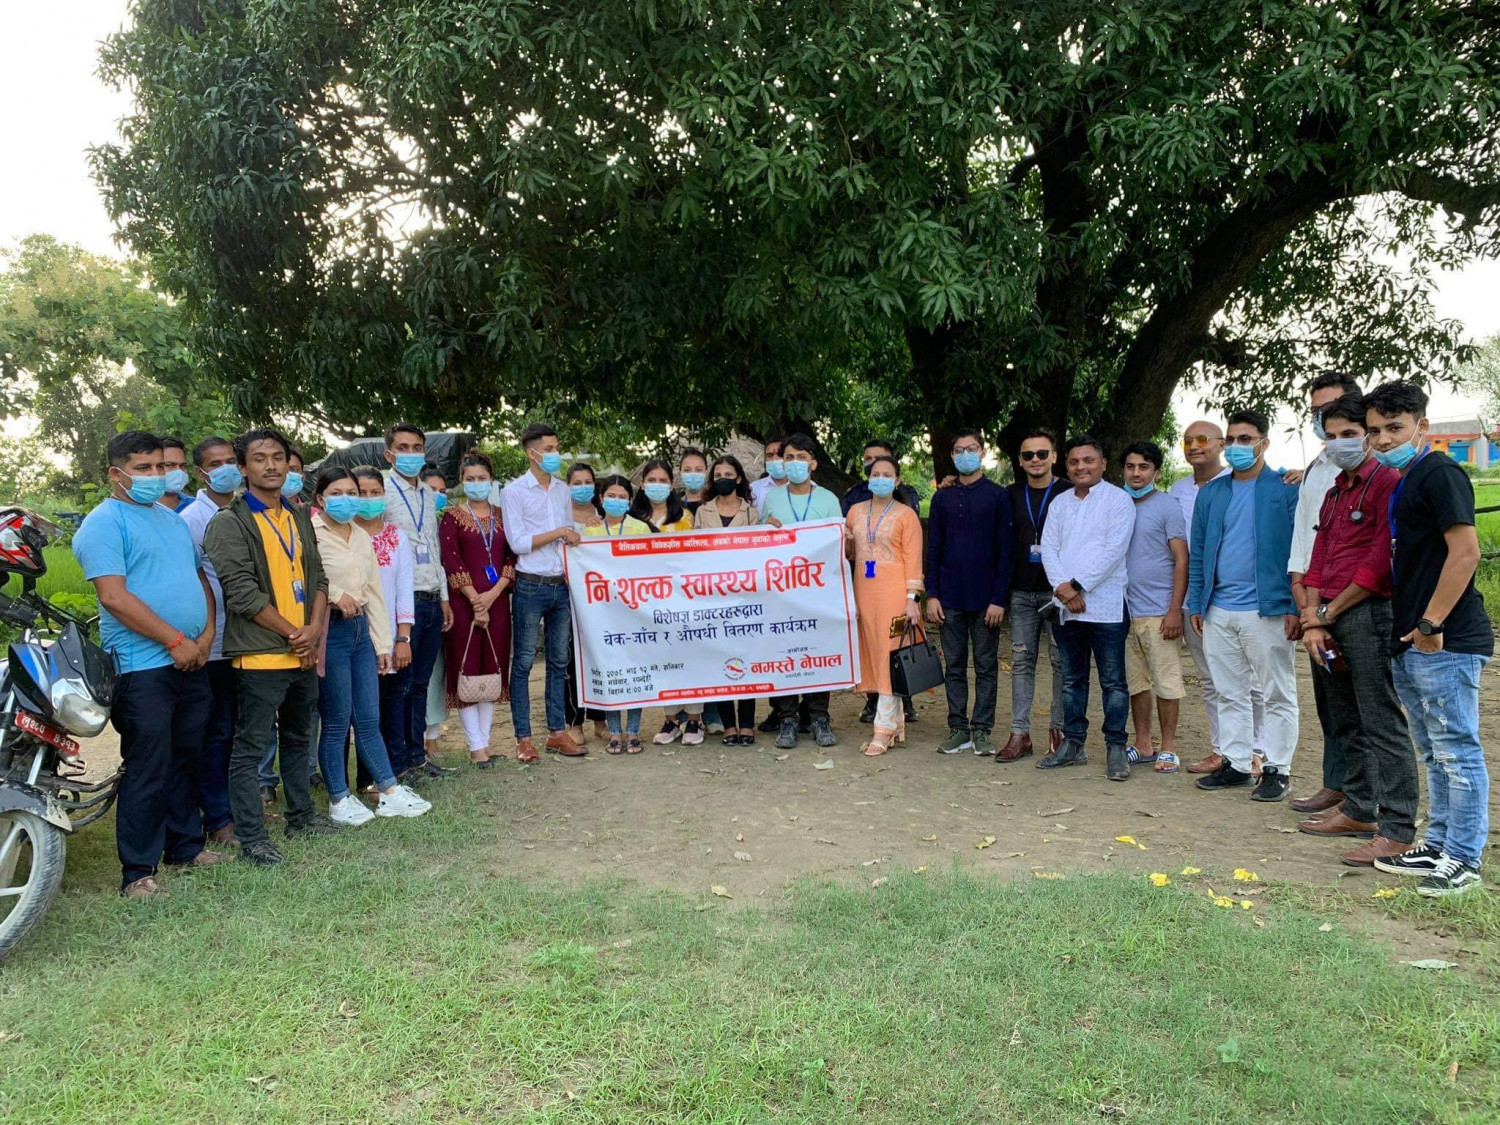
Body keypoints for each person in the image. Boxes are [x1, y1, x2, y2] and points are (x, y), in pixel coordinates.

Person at [73, 430, 228, 897]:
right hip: (142, 665)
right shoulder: (103, 524)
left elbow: (199, 579)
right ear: (115, 474)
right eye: (143, 468)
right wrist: (175, 640)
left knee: (187, 755)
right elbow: (114, 597)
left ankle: (185, 847)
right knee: (148, 764)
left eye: (161, 466)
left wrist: (205, 636)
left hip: (192, 656)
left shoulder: (171, 520)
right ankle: (138, 871)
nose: (156, 475)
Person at [1365, 381, 1491, 897]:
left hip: (1446, 639)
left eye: (1394, 428)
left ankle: (1464, 857)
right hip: (1414, 639)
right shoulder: (1407, 478)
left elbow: (1466, 552)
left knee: (1457, 749)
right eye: (1375, 430)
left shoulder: (1440, 473)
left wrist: (1431, 624)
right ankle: (1437, 844)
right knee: (1434, 751)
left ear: (1423, 426)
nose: (1382, 440)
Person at [202, 428, 340, 865]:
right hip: (261, 654)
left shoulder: (298, 515)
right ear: (243, 468)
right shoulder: (229, 522)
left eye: (278, 457)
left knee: (299, 737)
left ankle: (302, 816)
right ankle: (253, 838)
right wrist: (295, 634)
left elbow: (319, 577)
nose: (271, 466)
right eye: (260, 458)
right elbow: (241, 593)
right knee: (250, 748)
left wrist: (313, 629)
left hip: (303, 650)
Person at [1292, 394, 1415, 864]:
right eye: (1331, 436)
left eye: (1350, 434)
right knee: (1343, 715)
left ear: (1367, 434)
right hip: (1326, 616)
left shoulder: (1388, 483)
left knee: (1380, 719)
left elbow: (1378, 561)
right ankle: (1359, 808)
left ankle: (1397, 827)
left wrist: (1327, 612)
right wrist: (1313, 618)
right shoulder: (1335, 491)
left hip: (1367, 615)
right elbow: (1318, 559)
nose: (1340, 443)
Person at [1187, 409, 1301, 802]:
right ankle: (1236, 763)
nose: (1237, 446)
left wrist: (1295, 606)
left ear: (1263, 443)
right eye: (1232, 439)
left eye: (1246, 439)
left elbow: (1299, 552)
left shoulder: (1285, 489)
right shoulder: (1212, 492)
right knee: (1228, 691)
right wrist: (1196, 602)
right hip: (1218, 608)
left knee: (1276, 693)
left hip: (1268, 608)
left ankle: (1277, 769)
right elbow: (1199, 551)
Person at [310, 468, 431, 822]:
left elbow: (375, 593)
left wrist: (382, 644)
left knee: (368, 716)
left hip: (361, 631)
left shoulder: (361, 535)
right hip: (330, 630)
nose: (347, 499)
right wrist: (335, 594)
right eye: (337, 493)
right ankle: (338, 798)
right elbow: (305, 578)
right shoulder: (310, 533)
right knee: (336, 719)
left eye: (352, 492)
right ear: (320, 499)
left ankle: (389, 791)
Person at [1170, 420, 1267, 775]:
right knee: (1212, 680)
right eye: (1187, 440)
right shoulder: (1177, 491)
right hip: (1196, 598)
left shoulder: (1241, 482)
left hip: (1240, 598)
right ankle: (1222, 750)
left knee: (1250, 681)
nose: (1194, 446)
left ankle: (1256, 750)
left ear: (1220, 445)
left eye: (1202, 439)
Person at [1286, 371, 1361, 814]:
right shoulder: (1317, 466)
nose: (1322, 417)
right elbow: (1305, 533)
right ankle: (1336, 783)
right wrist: (1299, 591)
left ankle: (1360, 796)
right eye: (1316, 411)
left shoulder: (1368, 467)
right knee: (1329, 697)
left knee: (1359, 704)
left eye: (1331, 408)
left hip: (1350, 598)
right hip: (1311, 592)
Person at [1038, 435, 1135, 779]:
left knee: (1113, 682)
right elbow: (1049, 548)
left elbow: (1113, 551)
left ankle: (1116, 748)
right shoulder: (1060, 503)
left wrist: (1076, 585)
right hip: (1067, 609)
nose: (1081, 467)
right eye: (1075, 461)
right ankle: (1073, 743)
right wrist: (1064, 590)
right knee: (1071, 680)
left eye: (1088, 460)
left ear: (1103, 464)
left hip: (1107, 608)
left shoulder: (1119, 501)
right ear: (1067, 466)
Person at [924, 428, 1011, 757]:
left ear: (983, 452)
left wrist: (999, 599)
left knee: (986, 666)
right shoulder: (942, 497)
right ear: (951, 455)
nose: (965, 455)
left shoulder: (997, 496)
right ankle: (958, 728)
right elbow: (934, 548)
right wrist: (932, 594)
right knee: (955, 666)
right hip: (949, 598)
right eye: (958, 450)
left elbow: (1006, 551)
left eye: (971, 448)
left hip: (987, 600)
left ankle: (982, 729)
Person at [499, 422, 584, 762]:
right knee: (522, 662)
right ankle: (523, 738)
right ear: (530, 452)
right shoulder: (514, 491)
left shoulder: (562, 490)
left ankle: (556, 732)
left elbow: (569, 532)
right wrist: (559, 532)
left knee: (559, 660)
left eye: (556, 448)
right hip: (530, 584)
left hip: (560, 584)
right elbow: (518, 542)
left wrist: (571, 534)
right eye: (548, 449)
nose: (554, 454)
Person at [382, 424, 456, 780]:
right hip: (402, 599)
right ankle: (396, 762)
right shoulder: (380, 491)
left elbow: (435, 546)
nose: (411, 454)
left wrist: (444, 596)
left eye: (416, 447)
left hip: (430, 596)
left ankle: (417, 756)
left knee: (421, 683)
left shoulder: (428, 494)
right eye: (403, 447)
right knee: (400, 684)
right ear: (389, 454)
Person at [761, 433, 843, 750]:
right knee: (783, 654)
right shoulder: (772, 499)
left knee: (818, 652)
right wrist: (766, 529)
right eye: (789, 458)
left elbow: (838, 544)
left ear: (813, 463)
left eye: (801, 458)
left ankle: (819, 718)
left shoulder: (828, 499)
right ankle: (787, 719)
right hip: (782, 592)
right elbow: (760, 543)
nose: (795, 463)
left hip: (819, 592)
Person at [179, 435, 241, 845]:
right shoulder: (192, 519)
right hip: (212, 642)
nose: (226, 469)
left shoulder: (245, 509)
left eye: (231, 460)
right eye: (216, 464)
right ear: (201, 473)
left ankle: (236, 807)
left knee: (236, 730)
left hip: (246, 639)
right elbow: (192, 579)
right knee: (215, 732)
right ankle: (218, 818)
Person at [440, 451, 518, 767]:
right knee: (467, 669)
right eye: (470, 479)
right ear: (462, 481)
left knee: (492, 669)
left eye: (482, 478)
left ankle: (484, 743)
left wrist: (494, 593)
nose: (476, 483)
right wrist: (476, 600)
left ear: (491, 480)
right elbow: (451, 560)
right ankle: (474, 747)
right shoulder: (451, 517)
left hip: (497, 603)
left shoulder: (504, 515)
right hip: (463, 606)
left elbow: (512, 557)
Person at [848, 456, 925, 755]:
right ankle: (896, 722)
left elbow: (914, 559)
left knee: (889, 655)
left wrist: (912, 599)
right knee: (873, 652)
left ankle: (882, 728)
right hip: (864, 592)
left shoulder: (906, 515)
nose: (880, 479)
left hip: (895, 594)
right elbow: (849, 552)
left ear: (897, 481)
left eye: (887, 474)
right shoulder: (855, 511)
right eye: (875, 474)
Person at [1120, 441, 1188, 772]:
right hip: (1123, 612)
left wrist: (1174, 609)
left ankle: (1169, 747)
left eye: (1144, 467)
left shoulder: (1167, 506)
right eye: (1130, 466)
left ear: (1156, 472)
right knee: (1136, 682)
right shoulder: (1116, 503)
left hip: (1160, 611)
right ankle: (1143, 744)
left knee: (1167, 682)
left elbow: (1181, 559)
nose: (1136, 473)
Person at [351, 466, 420, 789]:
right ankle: (366, 779)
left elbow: (404, 588)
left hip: (393, 636)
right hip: (354, 636)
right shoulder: (344, 536)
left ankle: (396, 770)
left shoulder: (397, 537)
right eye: (361, 493)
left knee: (394, 703)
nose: (368, 499)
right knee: (366, 711)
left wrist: (403, 637)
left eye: (374, 492)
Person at [630, 458, 705, 744]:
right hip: (647, 601)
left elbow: (696, 557)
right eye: (652, 480)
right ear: (642, 484)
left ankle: (695, 720)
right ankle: (671, 719)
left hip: (683, 597)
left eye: (663, 481)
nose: (657, 485)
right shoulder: (632, 519)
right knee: (662, 658)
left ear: (672, 485)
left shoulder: (685, 518)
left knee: (689, 656)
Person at [1002, 429, 1066, 762]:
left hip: (1059, 593)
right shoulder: (1010, 494)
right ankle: (1019, 734)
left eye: (1042, 453)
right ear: (1020, 460)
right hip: (1022, 592)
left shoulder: (1070, 491)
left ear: (1054, 456)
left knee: (1061, 663)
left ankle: (1059, 733)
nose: (1036, 460)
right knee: (1022, 662)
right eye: (1028, 455)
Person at [584, 476, 653, 753]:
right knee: (609, 668)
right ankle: (614, 731)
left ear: (630, 500)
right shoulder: (590, 530)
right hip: (602, 612)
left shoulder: (640, 528)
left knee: (635, 669)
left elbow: (649, 567)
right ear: (601, 499)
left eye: (622, 496)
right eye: (610, 496)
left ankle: (633, 730)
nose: (616, 500)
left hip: (634, 610)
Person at [694, 455, 760, 744]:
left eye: (728, 474)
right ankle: (728, 725)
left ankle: (746, 724)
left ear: (738, 478)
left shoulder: (751, 512)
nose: (723, 478)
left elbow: (758, 550)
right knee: (719, 657)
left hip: (744, 595)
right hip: (712, 596)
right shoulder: (702, 512)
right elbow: (694, 551)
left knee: (746, 656)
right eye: (718, 474)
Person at [563, 462, 608, 744]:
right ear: (567, 486)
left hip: (600, 599)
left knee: (599, 656)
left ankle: (601, 720)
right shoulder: (559, 515)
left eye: (587, 482)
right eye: (576, 483)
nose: (582, 487)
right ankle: (575, 722)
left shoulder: (605, 513)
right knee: (570, 661)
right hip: (567, 595)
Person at [420, 465, 451, 760]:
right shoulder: (404, 519)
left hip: (441, 603)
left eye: (443, 491)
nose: (438, 496)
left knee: (436, 672)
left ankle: (432, 736)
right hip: (413, 605)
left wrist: (445, 599)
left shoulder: (445, 522)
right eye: (432, 490)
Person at [841, 439, 921, 515]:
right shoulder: (854, 494)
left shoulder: (906, 494)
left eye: (878, 458)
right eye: (868, 459)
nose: (872, 463)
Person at [749, 437, 787, 510]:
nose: (774, 459)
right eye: (770, 455)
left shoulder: (805, 488)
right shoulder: (753, 489)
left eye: (780, 455)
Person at [158, 437, 194, 513]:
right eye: (169, 465)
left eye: (182, 466)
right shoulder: (141, 508)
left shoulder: (195, 506)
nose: (179, 471)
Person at [679, 447, 711, 515]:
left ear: (706, 473)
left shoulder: (716, 502)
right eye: (687, 470)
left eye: (698, 470)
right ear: (681, 473)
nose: (693, 474)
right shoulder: (674, 505)